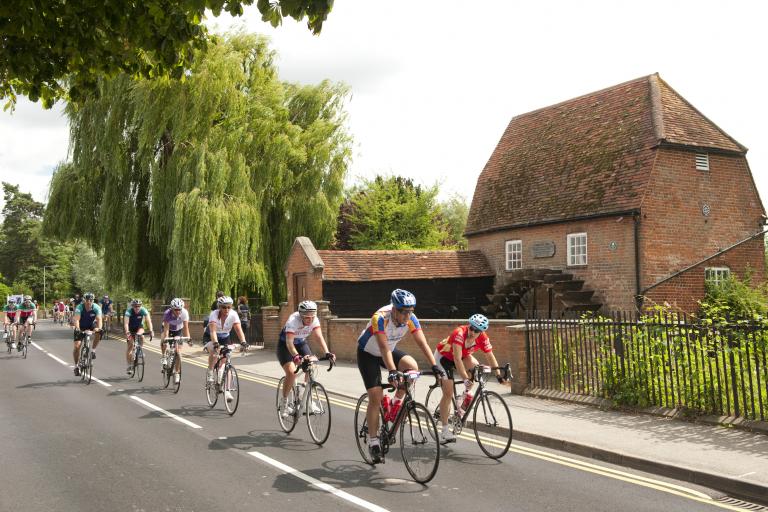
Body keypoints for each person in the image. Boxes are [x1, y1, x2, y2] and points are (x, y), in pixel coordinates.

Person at [357, 289, 444, 463]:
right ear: (394, 309)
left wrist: (435, 366)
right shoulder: (380, 318)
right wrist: (392, 372)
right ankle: (373, 442)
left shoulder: (411, 319)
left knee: (412, 367)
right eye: (403, 311)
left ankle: (396, 403)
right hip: (368, 353)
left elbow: (422, 342)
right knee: (376, 396)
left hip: (389, 351)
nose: (407, 315)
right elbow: (382, 348)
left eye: (410, 311)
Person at [434, 313, 507, 444]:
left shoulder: (483, 338)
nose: (472, 332)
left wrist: (499, 376)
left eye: (477, 330)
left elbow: (490, 356)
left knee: (477, 370)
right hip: (444, 358)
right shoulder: (459, 333)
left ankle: (461, 400)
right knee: (448, 392)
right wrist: (464, 378)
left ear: (482, 331)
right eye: (471, 328)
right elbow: (456, 359)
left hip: (462, 356)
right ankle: (445, 430)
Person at [276, 300, 335, 417]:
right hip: (286, 346)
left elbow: (319, 336)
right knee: (291, 373)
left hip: (301, 342)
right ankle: (284, 402)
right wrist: (296, 356)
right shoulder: (293, 321)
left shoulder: (314, 319)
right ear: (301, 315)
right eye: (307, 318)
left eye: (312, 317)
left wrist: (327, 352)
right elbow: (289, 343)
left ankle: (304, 396)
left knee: (311, 364)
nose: (310, 320)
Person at [205, 295, 247, 402]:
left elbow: (238, 330)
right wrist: (215, 344)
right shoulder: (213, 314)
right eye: (224, 307)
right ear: (219, 307)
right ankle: (210, 372)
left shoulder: (233, 315)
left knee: (226, 361)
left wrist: (243, 342)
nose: (226, 309)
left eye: (229, 307)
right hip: (211, 336)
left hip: (225, 337)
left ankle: (227, 390)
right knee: (215, 352)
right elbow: (213, 332)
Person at [161, 298, 191, 384]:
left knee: (178, 352)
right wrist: (165, 340)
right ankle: (163, 357)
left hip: (178, 331)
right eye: (176, 310)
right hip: (168, 330)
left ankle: (177, 373)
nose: (178, 311)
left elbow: (186, 327)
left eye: (179, 309)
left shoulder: (184, 313)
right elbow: (166, 329)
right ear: (172, 309)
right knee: (163, 341)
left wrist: (188, 338)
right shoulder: (167, 313)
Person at [72, 292, 103, 376]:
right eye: (87, 300)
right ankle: (76, 366)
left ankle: (93, 351)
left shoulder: (96, 307)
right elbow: (77, 320)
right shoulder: (79, 307)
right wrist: (78, 329)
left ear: (93, 301)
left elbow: (99, 320)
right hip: (80, 326)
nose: (89, 302)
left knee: (99, 332)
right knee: (77, 346)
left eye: (91, 300)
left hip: (90, 325)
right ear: (84, 300)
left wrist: (99, 328)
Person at [123, 299, 154, 375]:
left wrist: (151, 331)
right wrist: (127, 332)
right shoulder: (128, 311)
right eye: (135, 306)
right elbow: (126, 323)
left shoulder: (143, 310)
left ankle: (139, 350)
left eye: (139, 306)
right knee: (130, 346)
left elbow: (148, 321)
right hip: (130, 328)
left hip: (139, 327)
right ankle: (129, 365)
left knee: (141, 336)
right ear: (132, 306)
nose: (137, 308)